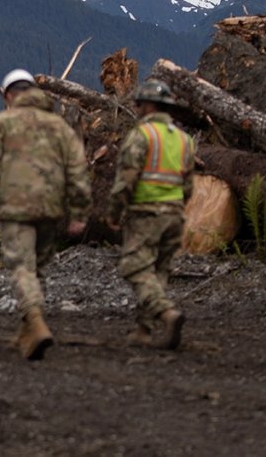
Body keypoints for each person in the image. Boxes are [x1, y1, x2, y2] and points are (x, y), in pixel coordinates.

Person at [0, 69, 91, 360]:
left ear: (9, 95)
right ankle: (27, 331)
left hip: (15, 208)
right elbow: (78, 170)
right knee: (37, 268)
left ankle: (36, 322)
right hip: (51, 209)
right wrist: (78, 212)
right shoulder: (58, 126)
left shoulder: (3, 123)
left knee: (21, 267)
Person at [106, 79, 194, 350]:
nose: (137, 108)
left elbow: (127, 178)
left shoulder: (142, 135)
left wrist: (115, 210)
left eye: (139, 103)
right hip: (175, 213)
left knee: (134, 266)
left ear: (149, 105)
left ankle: (166, 312)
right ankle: (144, 330)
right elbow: (189, 184)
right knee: (159, 271)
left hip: (146, 212)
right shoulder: (184, 139)